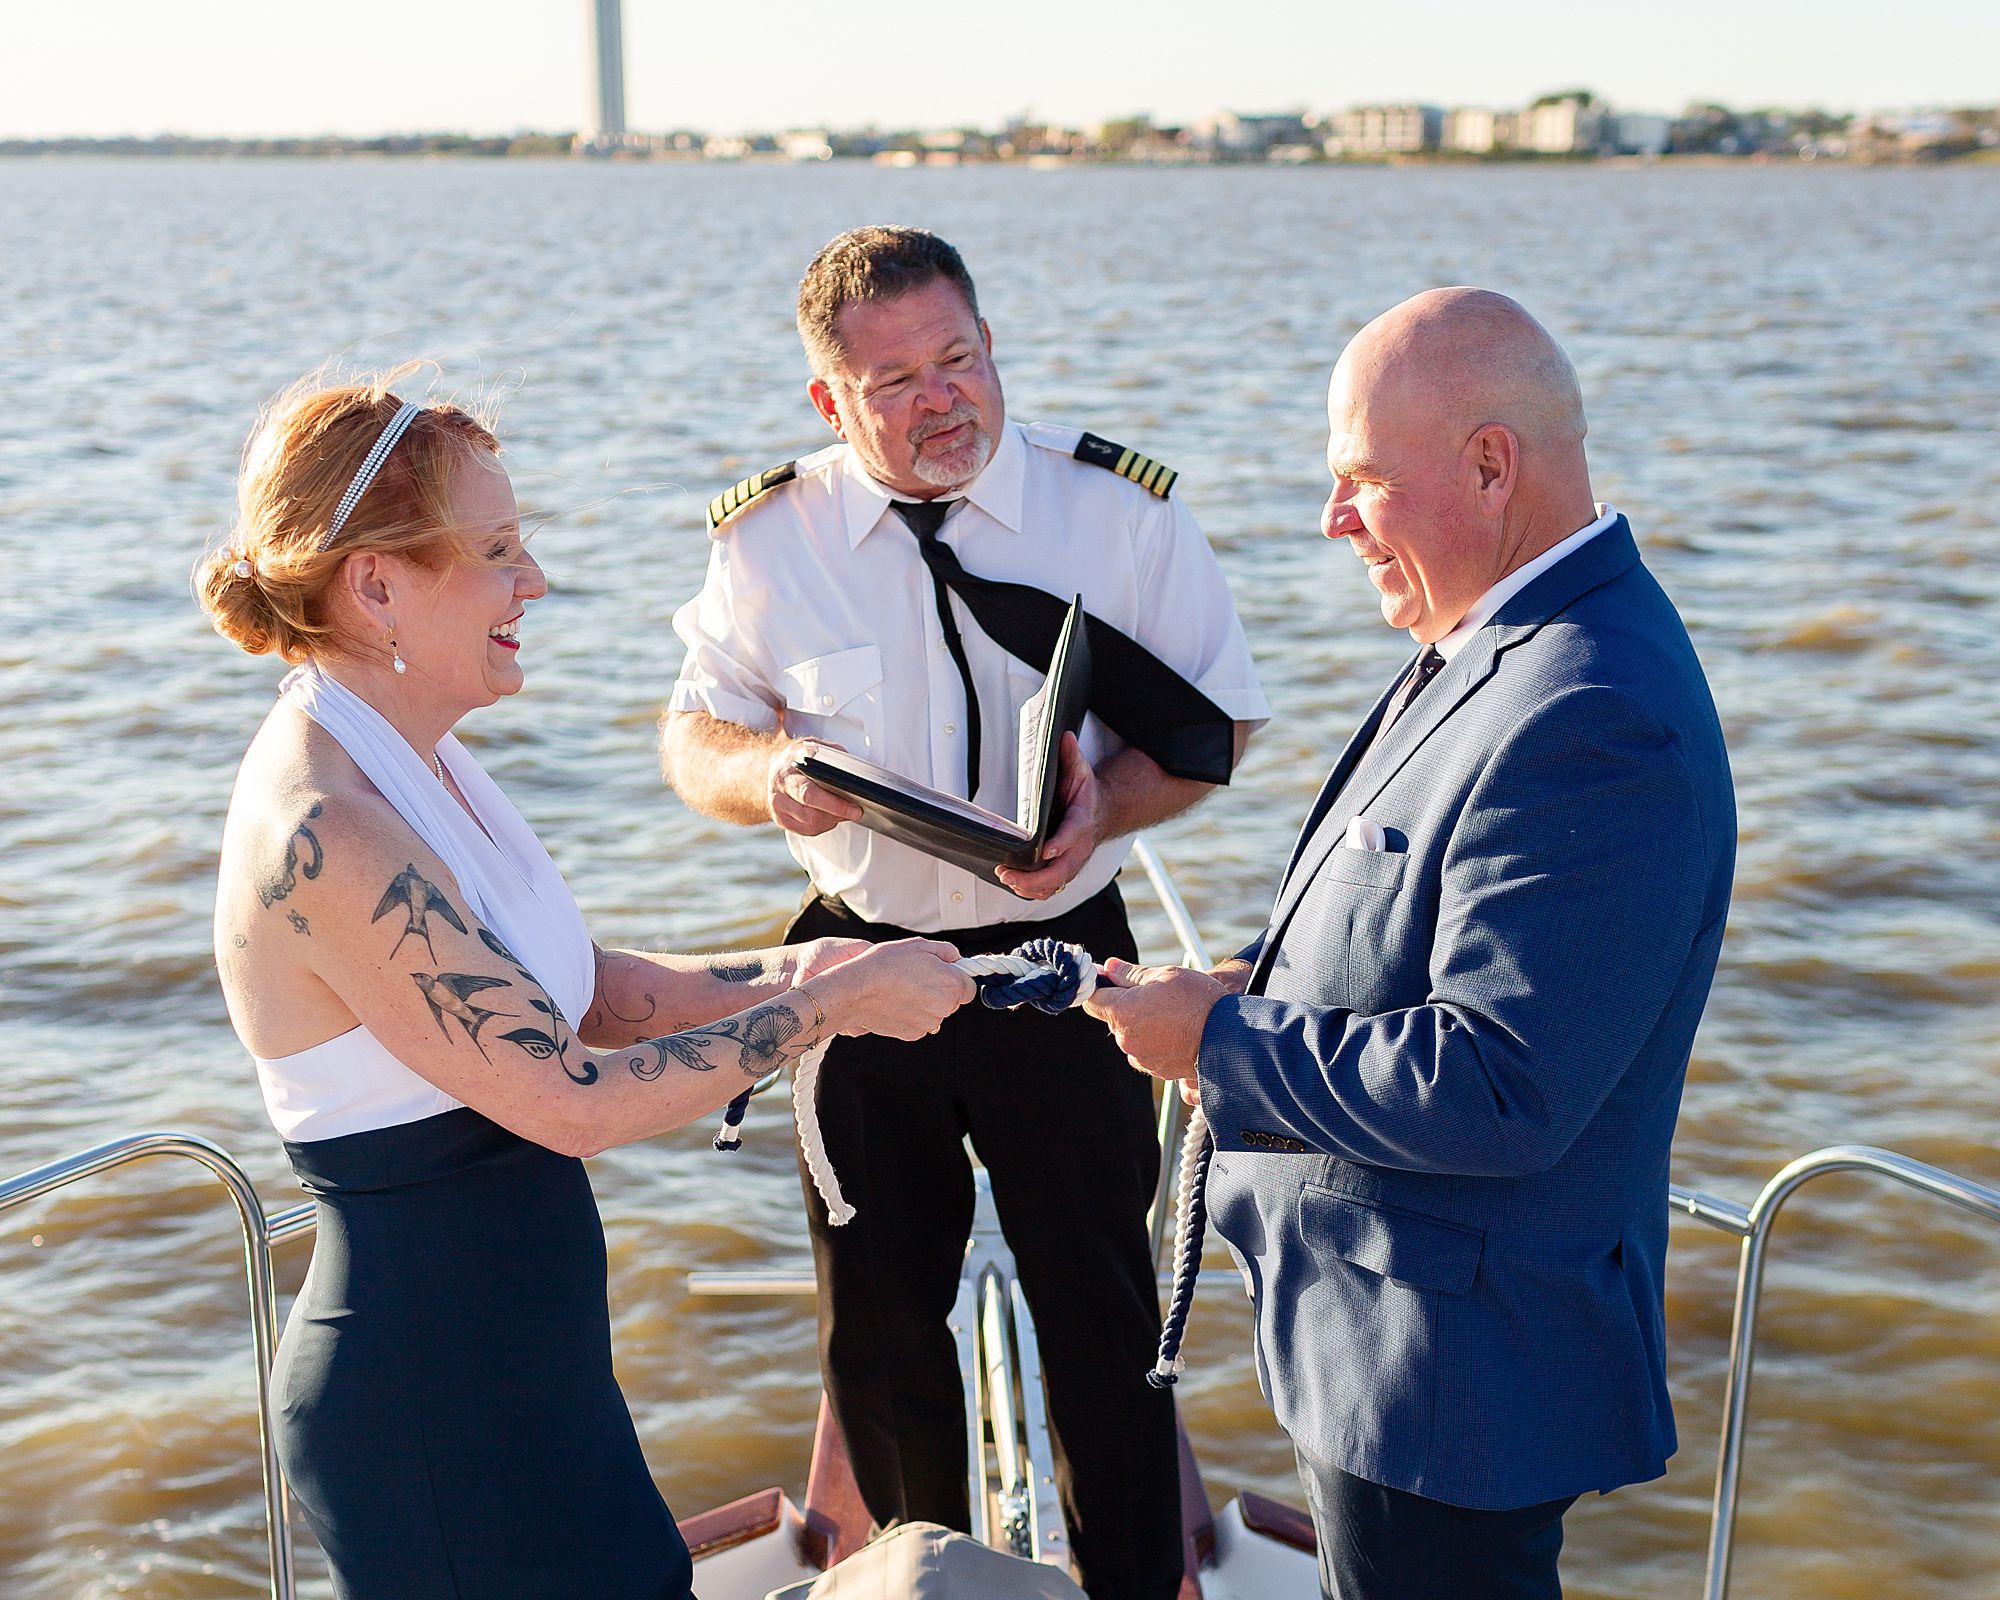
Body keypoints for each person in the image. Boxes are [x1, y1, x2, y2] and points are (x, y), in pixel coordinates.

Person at [197, 376, 975, 1600]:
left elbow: (586, 992)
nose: (535, 581)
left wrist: (803, 965)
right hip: (432, 1405)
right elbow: (571, 1099)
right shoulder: (326, 824)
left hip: (525, 1369)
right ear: (377, 584)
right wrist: (825, 1011)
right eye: (498, 551)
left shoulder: (416, 756)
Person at [1087, 288, 1736, 1600]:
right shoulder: (1498, 631)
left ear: (1491, 466)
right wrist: (1250, 981)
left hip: (1452, 1382)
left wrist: (1218, 1046)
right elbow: (1411, 912)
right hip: (1386, 1341)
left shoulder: (1593, 709)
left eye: (1363, 483)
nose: (1332, 522)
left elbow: (1500, 1085)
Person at [660, 226, 1268, 1600]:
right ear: (831, 403)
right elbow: (694, 736)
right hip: (861, 964)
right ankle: (908, 1581)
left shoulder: (1118, 512)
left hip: (1067, 963)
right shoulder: (770, 540)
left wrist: (1101, 811)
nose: (946, 400)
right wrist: (769, 777)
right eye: (897, 383)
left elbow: (1217, 724)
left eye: (962, 358)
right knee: (878, 1335)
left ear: (991, 343)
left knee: (1109, 1323)